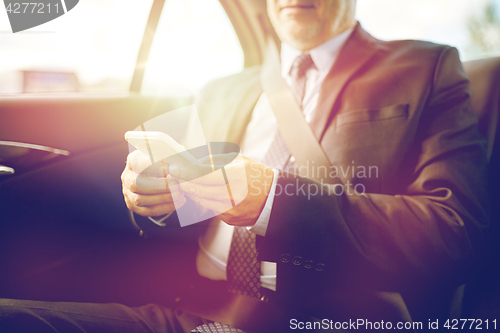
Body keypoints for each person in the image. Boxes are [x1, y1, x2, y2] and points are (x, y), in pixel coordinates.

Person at [0, 0, 489, 332]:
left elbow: (455, 232)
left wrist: (272, 197)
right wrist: (157, 200)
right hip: (192, 309)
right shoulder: (221, 90)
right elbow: (182, 209)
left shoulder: (427, 68)